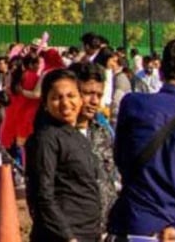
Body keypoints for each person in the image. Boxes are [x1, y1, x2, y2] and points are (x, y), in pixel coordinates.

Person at [107, 35, 175, 240]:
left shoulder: (132, 104)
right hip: (173, 231)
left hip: (129, 225)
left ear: (161, 72)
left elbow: (120, 159)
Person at [23, 68, 102, 242]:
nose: (65, 103)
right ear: (45, 103)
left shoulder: (75, 135)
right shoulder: (46, 138)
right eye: (56, 98)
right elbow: (43, 194)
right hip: (62, 235)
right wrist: (68, 236)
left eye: (71, 96)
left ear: (80, 99)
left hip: (88, 231)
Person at [67, 60, 117, 228]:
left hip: (103, 227)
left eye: (99, 95)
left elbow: (109, 178)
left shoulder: (101, 131)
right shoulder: (54, 137)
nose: (95, 101)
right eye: (88, 93)